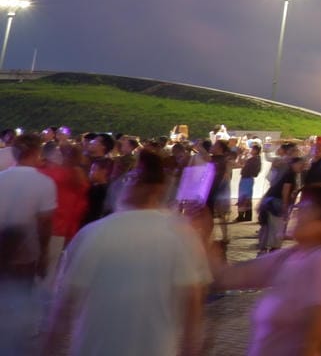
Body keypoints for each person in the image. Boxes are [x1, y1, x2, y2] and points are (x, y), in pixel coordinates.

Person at [45, 149, 210, 356]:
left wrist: (49, 348)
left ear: (155, 188)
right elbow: (193, 305)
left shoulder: (94, 233)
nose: (126, 182)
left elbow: (65, 305)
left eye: (133, 177)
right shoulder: (180, 233)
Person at [208, 181, 321, 356]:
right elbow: (226, 277)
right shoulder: (292, 255)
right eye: (299, 204)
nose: (298, 212)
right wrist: (203, 234)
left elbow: (315, 344)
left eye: (308, 207)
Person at [0, 130, 56, 340]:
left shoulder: (1, 178)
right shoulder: (44, 183)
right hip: (25, 253)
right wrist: (44, 254)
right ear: (35, 153)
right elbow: (45, 224)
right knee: (18, 298)